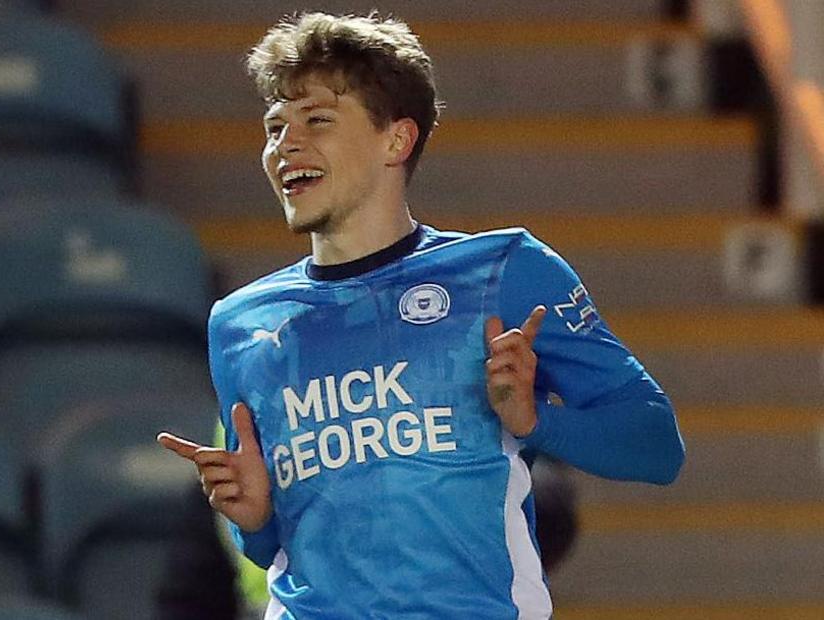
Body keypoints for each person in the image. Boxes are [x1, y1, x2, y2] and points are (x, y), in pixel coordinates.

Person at [158, 11, 685, 618]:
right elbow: (280, 546)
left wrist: (535, 421)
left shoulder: (504, 269)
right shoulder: (239, 323)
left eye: (317, 120)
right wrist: (255, 520)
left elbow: (657, 445)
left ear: (396, 140)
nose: (285, 146)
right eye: (274, 127)